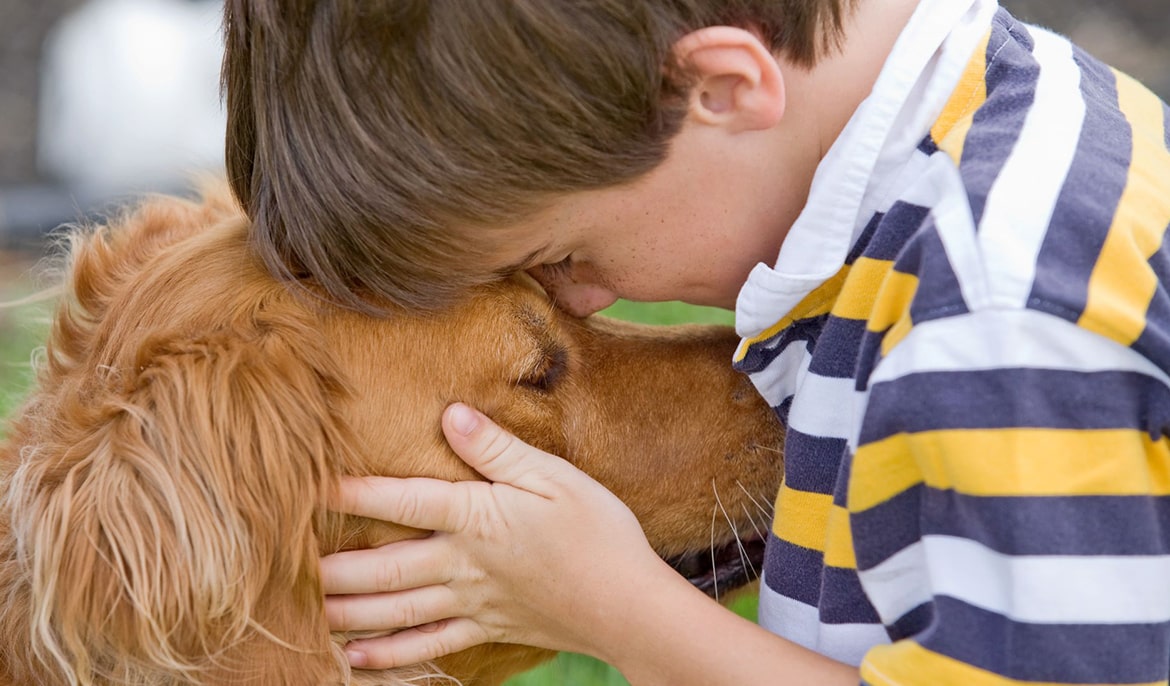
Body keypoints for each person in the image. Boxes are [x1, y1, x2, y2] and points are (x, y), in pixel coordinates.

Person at [221, 0, 1170, 683]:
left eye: (564, 254)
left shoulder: (994, 315)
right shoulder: (1006, 124)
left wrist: (621, 613)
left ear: (716, 88)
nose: (584, 300)